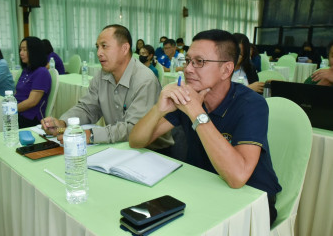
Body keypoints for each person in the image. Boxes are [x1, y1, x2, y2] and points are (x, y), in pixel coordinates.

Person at [129, 29, 282, 226]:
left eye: (199, 62)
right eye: (188, 61)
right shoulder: (189, 97)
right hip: (204, 187)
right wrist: (159, 109)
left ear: (226, 70)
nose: (189, 69)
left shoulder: (251, 104)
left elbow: (237, 177)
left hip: (252, 202)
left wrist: (196, 113)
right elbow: (136, 141)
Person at [41, 24, 171, 149]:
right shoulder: (102, 75)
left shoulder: (145, 80)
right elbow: (87, 108)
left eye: (104, 46)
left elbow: (133, 129)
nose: (99, 53)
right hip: (118, 146)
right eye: (97, 47)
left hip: (151, 152)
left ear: (125, 48)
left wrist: (91, 135)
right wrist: (63, 124)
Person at [15, 37, 52, 128]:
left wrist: (10, 110)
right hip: (18, 113)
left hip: (30, 118)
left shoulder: (41, 72)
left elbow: (32, 102)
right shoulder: (26, 70)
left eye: (25, 50)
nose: (21, 53)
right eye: (20, 50)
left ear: (35, 52)